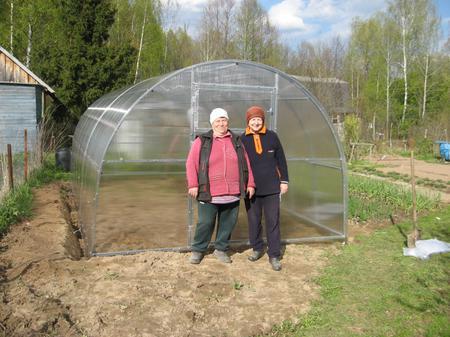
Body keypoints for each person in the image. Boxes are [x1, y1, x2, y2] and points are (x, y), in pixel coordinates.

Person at [186, 108, 255, 264]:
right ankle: (198, 250)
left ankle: (221, 249)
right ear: (212, 123)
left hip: (233, 191)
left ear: (228, 122)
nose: (221, 123)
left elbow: (246, 163)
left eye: (224, 120)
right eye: (218, 121)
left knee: (227, 223)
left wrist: (250, 183)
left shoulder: (236, 141)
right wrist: (193, 184)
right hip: (209, 190)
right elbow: (191, 163)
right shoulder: (202, 141)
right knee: (205, 222)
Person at [241, 106, 289, 271]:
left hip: (272, 188)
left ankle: (274, 254)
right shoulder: (242, 139)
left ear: (263, 121)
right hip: (251, 189)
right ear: (248, 121)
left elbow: (281, 160)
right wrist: (245, 185)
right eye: (253, 119)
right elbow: (240, 165)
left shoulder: (272, 137)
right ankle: (257, 248)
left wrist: (284, 181)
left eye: (259, 119)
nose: (256, 122)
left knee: (272, 221)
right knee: (254, 220)